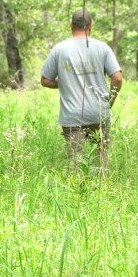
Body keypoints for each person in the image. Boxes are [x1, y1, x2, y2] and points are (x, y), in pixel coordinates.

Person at [40, 9, 122, 173]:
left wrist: (64, 82)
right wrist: (109, 102)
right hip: (99, 112)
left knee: (76, 164)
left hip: (72, 115)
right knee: (101, 160)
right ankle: (102, 191)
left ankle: (78, 193)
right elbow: (117, 78)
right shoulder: (102, 47)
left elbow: (45, 80)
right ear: (90, 26)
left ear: (71, 25)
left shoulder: (59, 49)